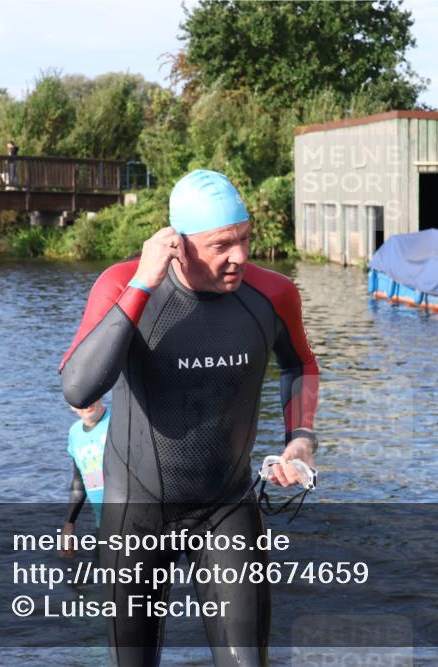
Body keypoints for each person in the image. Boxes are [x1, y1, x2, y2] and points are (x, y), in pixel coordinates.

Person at [60, 169, 320, 666]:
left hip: (226, 505)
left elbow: (300, 362)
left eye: (245, 239)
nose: (240, 256)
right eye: (222, 244)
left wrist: (300, 439)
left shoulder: (273, 294)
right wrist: (142, 285)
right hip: (136, 509)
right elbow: (79, 386)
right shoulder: (123, 282)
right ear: (177, 245)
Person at [59, 397, 109, 560]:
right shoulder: (75, 433)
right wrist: (69, 525)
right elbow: (79, 481)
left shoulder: (119, 421)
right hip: (103, 526)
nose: (86, 402)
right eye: (79, 398)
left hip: (136, 524)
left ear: (100, 394)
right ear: (71, 405)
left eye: (90, 395)